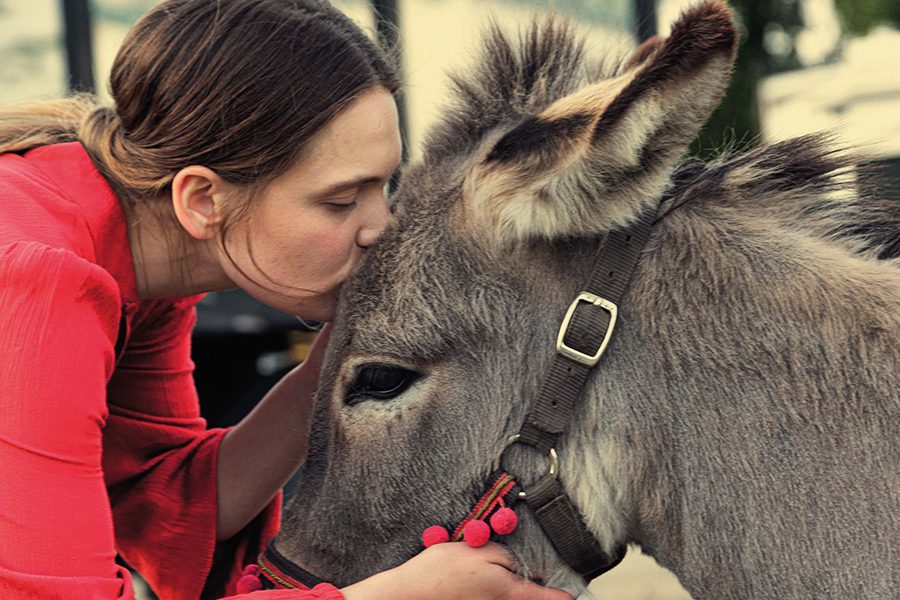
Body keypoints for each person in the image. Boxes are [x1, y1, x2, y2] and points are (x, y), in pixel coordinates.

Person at [0, 1, 575, 599]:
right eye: (341, 200)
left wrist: (333, 367)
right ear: (202, 199)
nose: (382, 228)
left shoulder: (138, 262)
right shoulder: (32, 285)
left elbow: (159, 499)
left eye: (384, 186)